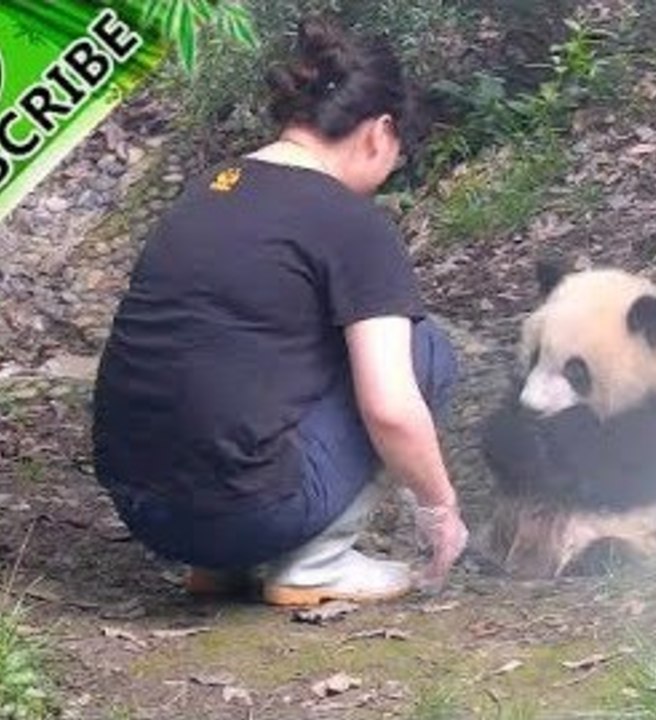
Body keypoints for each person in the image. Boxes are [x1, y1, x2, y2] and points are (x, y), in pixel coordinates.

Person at [90, 16, 468, 606]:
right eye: (399, 150)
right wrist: (441, 509)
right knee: (425, 351)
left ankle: (219, 569)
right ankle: (314, 565)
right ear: (380, 131)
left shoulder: (208, 189)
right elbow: (391, 408)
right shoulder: (351, 223)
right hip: (246, 513)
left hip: (144, 511)